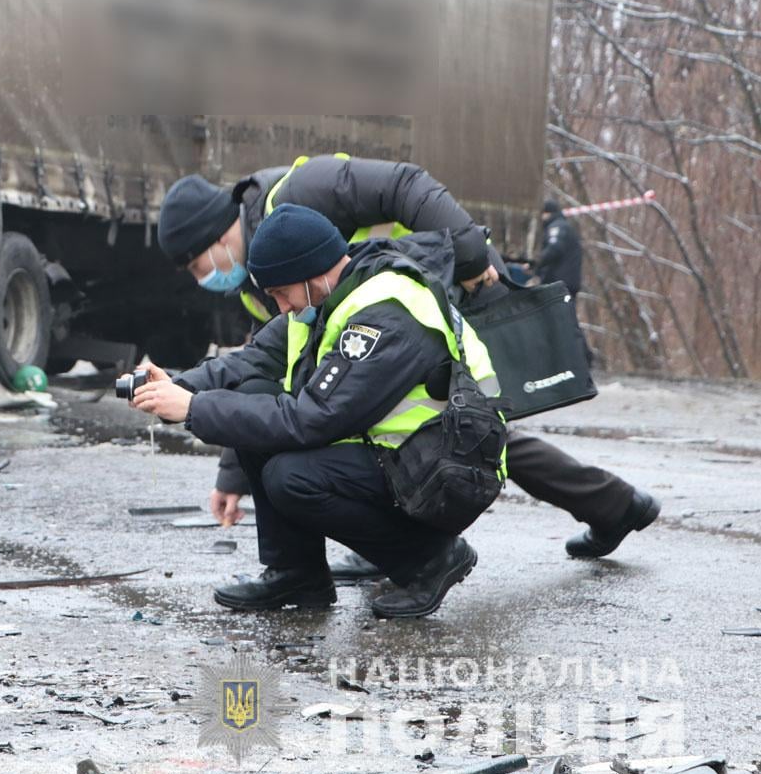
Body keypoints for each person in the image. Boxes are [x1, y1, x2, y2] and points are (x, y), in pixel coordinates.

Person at [156, 155, 660, 578]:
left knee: (464, 426)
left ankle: (606, 506)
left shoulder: (300, 194)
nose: (208, 279)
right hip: (393, 313)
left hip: (426, 289)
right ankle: (612, 505)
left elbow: (405, 184)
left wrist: (469, 257)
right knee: (446, 428)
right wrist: (232, 473)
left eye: (201, 268)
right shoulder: (267, 276)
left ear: (217, 237)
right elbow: (271, 366)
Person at [128, 205, 500, 617]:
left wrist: (195, 409)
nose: (283, 307)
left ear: (309, 272)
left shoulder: (385, 313)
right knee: (252, 393)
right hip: (403, 453)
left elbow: (311, 420)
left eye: (281, 293)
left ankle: (431, 560)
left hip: (451, 466)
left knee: (292, 478)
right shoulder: (324, 298)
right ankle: (297, 574)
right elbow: (247, 364)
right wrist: (176, 388)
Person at [535, 199, 583, 297]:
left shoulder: (557, 227)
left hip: (559, 284)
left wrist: (537, 263)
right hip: (567, 282)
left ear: (547, 213)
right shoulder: (565, 227)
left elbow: (554, 249)